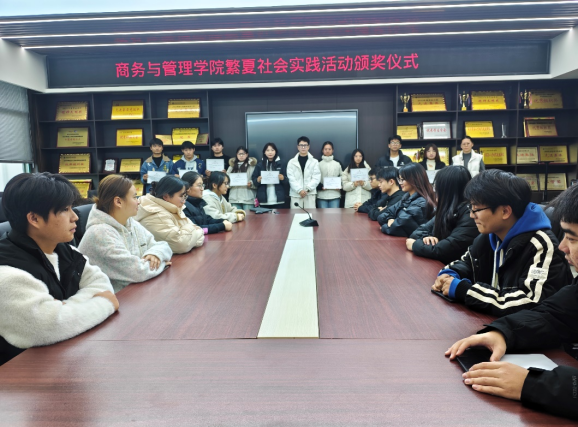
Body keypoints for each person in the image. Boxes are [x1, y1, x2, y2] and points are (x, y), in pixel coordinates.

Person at [445, 184, 578, 421]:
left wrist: (533, 384)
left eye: (572, 238)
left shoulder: (541, 243)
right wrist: (502, 333)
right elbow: (553, 314)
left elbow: (531, 301)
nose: (563, 247)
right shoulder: (487, 237)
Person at [0, 173, 119, 366]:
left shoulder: (65, 250)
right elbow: (46, 327)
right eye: (65, 209)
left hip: (67, 359)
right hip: (22, 374)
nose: (75, 217)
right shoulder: (6, 272)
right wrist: (103, 304)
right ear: (34, 218)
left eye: (72, 207)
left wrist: (64, 311)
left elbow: (101, 284)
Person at [432, 170, 571, 316]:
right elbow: (467, 263)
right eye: (470, 207)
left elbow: (530, 302)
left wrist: (466, 291)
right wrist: (450, 274)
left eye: (476, 209)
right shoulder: (490, 236)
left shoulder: (541, 245)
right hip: (494, 321)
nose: (472, 215)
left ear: (505, 211)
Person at [77, 175, 173, 293]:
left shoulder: (130, 222)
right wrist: (163, 263)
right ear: (118, 201)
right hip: (109, 299)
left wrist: (155, 254)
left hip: (133, 292)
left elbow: (162, 245)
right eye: (134, 197)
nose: (138, 201)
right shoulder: (100, 234)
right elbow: (138, 272)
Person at [406, 166, 478, 264]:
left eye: (436, 185)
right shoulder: (447, 209)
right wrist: (427, 239)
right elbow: (417, 232)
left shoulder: (470, 214)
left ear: (446, 189)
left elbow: (446, 250)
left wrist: (415, 245)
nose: (434, 189)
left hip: (454, 268)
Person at [136, 175, 204, 254]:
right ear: (166, 196)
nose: (184, 201)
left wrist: (189, 238)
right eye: (181, 196)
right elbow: (181, 245)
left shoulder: (173, 207)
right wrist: (191, 229)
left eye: (185, 196)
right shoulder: (155, 214)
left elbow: (200, 232)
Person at [378, 163, 436, 237]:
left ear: (414, 179)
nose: (400, 183)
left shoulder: (421, 202)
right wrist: (390, 219)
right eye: (399, 179)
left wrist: (385, 227)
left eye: (403, 180)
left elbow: (397, 227)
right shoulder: (406, 197)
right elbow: (382, 216)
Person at [287, 136, 321, 210]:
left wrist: (307, 189)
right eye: (301, 145)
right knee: (295, 215)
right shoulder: (291, 162)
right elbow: (291, 178)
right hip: (296, 194)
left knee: (310, 215)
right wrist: (299, 190)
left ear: (308, 147)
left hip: (309, 193)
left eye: (305, 145)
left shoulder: (314, 162)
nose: (303, 147)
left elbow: (316, 177)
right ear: (298, 147)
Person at [252, 142, 287, 208]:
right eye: (267, 150)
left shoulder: (281, 164)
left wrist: (283, 178)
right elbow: (254, 181)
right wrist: (257, 180)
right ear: (264, 152)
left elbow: (287, 181)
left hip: (279, 200)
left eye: (272, 150)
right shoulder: (259, 165)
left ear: (275, 152)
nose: (270, 152)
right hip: (264, 200)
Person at [226, 146, 257, 211]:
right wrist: (230, 184)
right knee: (236, 217)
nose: (241, 155)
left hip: (248, 198)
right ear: (236, 155)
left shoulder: (252, 166)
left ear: (247, 154)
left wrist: (251, 184)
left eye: (243, 153)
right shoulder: (231, 167)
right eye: (239, 154)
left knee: (249, 217)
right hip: (234, 198)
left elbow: (256, 180)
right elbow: (226, 181)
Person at [316, 141, 343, 209]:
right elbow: (314, 177)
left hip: (335, 195)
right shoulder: (317, 163)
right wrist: (320, 187)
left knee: (334, 215)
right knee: (322, 215)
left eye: (329, 149)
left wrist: (340, 185)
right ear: (322, 150)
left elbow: (343, 176)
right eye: (325, 149)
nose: (327, 151)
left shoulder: (338, 163)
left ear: (332, 150)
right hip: (321, 195)